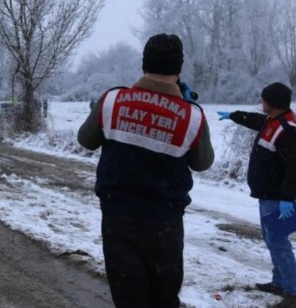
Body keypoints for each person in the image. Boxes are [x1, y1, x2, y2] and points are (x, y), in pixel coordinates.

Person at [77, 33, 214, 307]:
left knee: (129, 296)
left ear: (143, 64)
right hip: (165, 224)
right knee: (163, 297)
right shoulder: (192, 115)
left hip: (118, 218)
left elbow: (86, 140)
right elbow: (202, 162)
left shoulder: (112, 100)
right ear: (179, 70)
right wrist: (182, 109)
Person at [217, 83, 296, 308]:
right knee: (272, 240)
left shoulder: (288, 130)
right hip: (269, 194)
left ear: (273, 103)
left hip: (279, 198)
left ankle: (292, 295)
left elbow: (294, 168)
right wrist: (234, 116)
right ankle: (279, 282)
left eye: (264, 99)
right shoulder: (273, 120)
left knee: (279, 243)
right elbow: (256, 120)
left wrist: (288, 198)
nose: (261, 103)